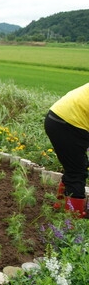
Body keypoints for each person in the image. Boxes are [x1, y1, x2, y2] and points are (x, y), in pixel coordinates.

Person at [44, 82, 89, 217]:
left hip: (62, 119)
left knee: (76, 167)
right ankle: (73, 218)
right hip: (67, 123)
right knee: (77, 172)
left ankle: (61, 205)